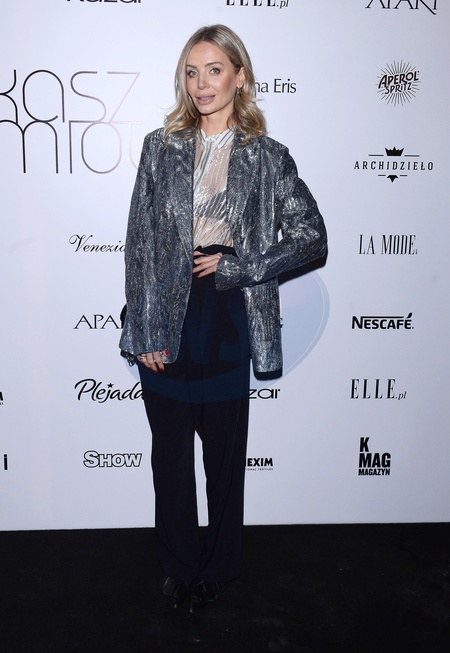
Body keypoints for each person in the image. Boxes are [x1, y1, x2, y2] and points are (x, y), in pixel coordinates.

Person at [119, 24, 327, 612]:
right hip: (167, 309)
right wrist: (143, 329)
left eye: (214, 70)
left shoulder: (267, 157)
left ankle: (220, 567)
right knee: (170, 456)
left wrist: (241, 266)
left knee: (224, 458)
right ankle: (179, 564)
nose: (202, 83)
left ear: (240, 76)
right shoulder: (160, 147)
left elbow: (312, 237)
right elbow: (139, 244)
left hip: (228, 315)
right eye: (192, 72)